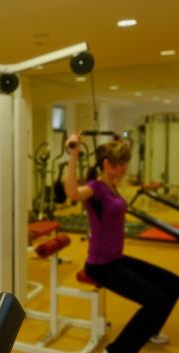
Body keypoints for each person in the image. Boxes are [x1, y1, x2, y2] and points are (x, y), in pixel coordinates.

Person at [65, 133, 179, 353]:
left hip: (116, 259)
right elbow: (72, 192)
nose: (126, 168)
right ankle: (116, 350)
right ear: (108, 165)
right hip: (101, 265)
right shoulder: (95, 188)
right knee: (155, 301)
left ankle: (150, 330)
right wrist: (73, 156)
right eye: (122, 164)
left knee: (173, 283)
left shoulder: (113, 187)